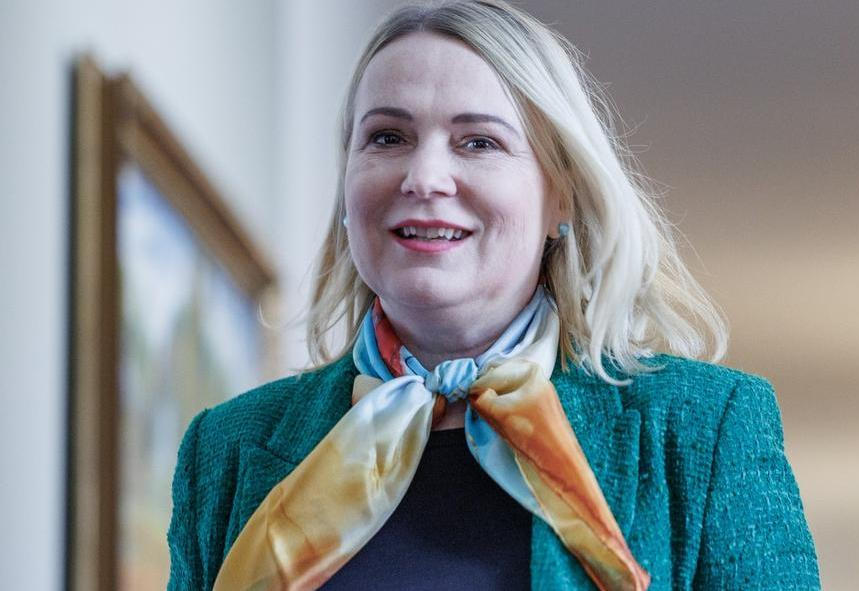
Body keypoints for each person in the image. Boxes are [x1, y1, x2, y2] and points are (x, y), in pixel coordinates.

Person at [166, 1, 820, 589]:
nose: (424, 177)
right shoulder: (225, 450)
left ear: (561, 195)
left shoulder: (705, 427)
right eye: (388, 137)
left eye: (478, 141)